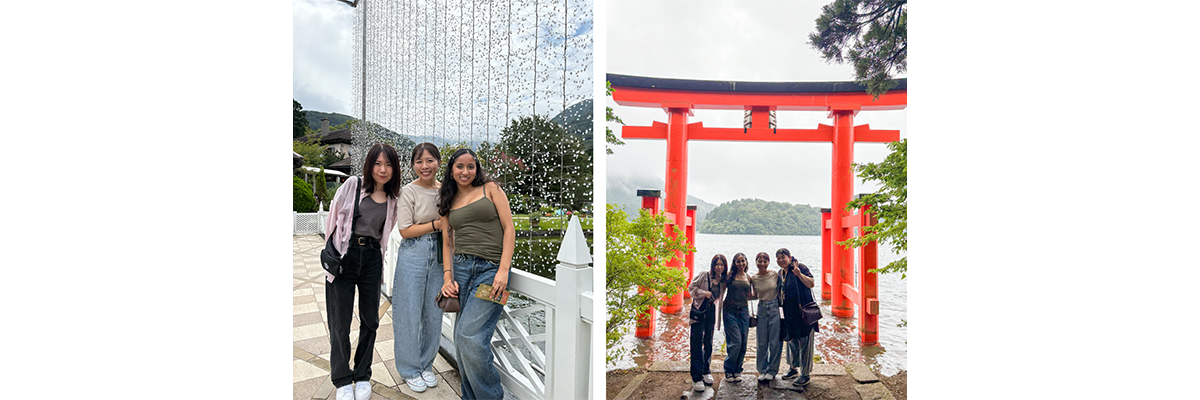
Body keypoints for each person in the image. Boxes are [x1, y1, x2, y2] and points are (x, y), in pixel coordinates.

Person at [436, 148, 516, 400]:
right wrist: (448, 278)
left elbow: (509, 228)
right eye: (460, 166)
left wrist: (503, 270)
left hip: (491, 270)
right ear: (451, 169)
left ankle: (491, 396)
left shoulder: (491, 188)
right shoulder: (447, 200)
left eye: (471, 166)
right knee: (461, 340)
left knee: (470, 336)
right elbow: (446, 242)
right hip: (460, 270)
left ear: (477, 168)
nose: (465, 171)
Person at [324, 143, 402, 400]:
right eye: (378, 163)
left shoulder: (393, 198)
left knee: (370, 320)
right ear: (369, 165)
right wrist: (334, 254)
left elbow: (386, 233)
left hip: (371, 260)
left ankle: (362, 374)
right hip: (345, 257)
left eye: (389, 164)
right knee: (340, 322)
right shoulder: (353, 185)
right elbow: (332, 219)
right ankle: (342, 379)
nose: (383, 169)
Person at [391, 143, 444, 393]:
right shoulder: (408, 192)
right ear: (413, 165)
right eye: (419, 161)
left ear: (438, 162)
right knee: (409, 312)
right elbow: (405, 230)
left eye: (430, 160)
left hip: (440, 252)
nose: (425, 166)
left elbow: (451, 226)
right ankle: (409, 369)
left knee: (433, 312)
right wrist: (436, 224)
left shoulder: (445, 191)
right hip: (414, 251)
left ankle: (426, 365)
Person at [777, 248, 818, 388]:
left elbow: (811, 283)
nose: (781, 260)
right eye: (778, 258)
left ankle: (805, 374)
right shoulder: (781, 273)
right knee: (791, 341)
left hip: (803, 312)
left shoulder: (799, 267)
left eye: (783, 257)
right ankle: (793, 368)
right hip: (789, 313)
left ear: (789, 257)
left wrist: (799, 275)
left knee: (805, 343)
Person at [688, 254, 728, 392]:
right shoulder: (704, 275)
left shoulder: (723, 280)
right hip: (699, 312)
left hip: (711, 313)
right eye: (717, 264)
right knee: (696, 343)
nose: (719, 267)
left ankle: (706, 370)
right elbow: (691, 288)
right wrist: (703, 293)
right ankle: (696, 377)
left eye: (722, 264)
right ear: (713, 265)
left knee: (708, 342)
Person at [749, 252, 782, 382]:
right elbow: (753, 295)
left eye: (764, 261)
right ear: (756, 262)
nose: (762, 264)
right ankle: (762, 369)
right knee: (762, 341)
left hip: (774, 307)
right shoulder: (753, 278)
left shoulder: (774, 274)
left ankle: (772, 370)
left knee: (775, 342)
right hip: (761, 308)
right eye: (759, 261)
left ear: (768, 262)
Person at [722, 252, 753, 383]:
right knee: (735, 341)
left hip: (744, 312)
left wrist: (767, 296)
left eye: (743, 261)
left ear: (746, 262)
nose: (741, 263)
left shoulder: (748, 277)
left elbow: (751, 296)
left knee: (744, 343)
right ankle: (729, 370)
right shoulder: (730, 276)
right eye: (738, 261)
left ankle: (737, 370)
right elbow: (720, 290)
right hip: (730, 311)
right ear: (734, 263)